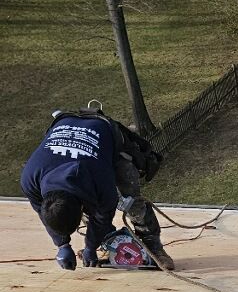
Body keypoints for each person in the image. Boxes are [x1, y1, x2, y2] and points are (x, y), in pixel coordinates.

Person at [20, 104, 175, 271]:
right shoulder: (30, 179)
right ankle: (110, 243)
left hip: (108, 139)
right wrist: (62, 245)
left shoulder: (100, 180)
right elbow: (45, 215)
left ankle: (154, 247)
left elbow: (102, 217)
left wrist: (90, 247)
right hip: (67, 129)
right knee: (92, 213)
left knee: (132, 203)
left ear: (80, 207)